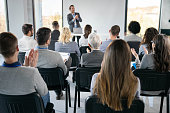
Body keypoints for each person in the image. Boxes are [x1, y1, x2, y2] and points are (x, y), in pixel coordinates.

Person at [0, 32, 49, 107]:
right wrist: (31, 69)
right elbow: (44, 93)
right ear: (17, 48)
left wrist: (25, 67)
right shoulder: (32, 72)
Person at [90, 39, 140, 111]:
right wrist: (137, 58)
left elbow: (94, 106)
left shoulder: (96, 78)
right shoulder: (135, 82)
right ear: (128, 58)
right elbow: (136, 108)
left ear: (107, 57)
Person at [36, 27, 71, 100]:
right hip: (56, 84)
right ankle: (58, 93)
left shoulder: (29, 54)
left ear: (36, 39)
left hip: (37, 85)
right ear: (48, 41)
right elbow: (64, 72)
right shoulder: (56, 55)